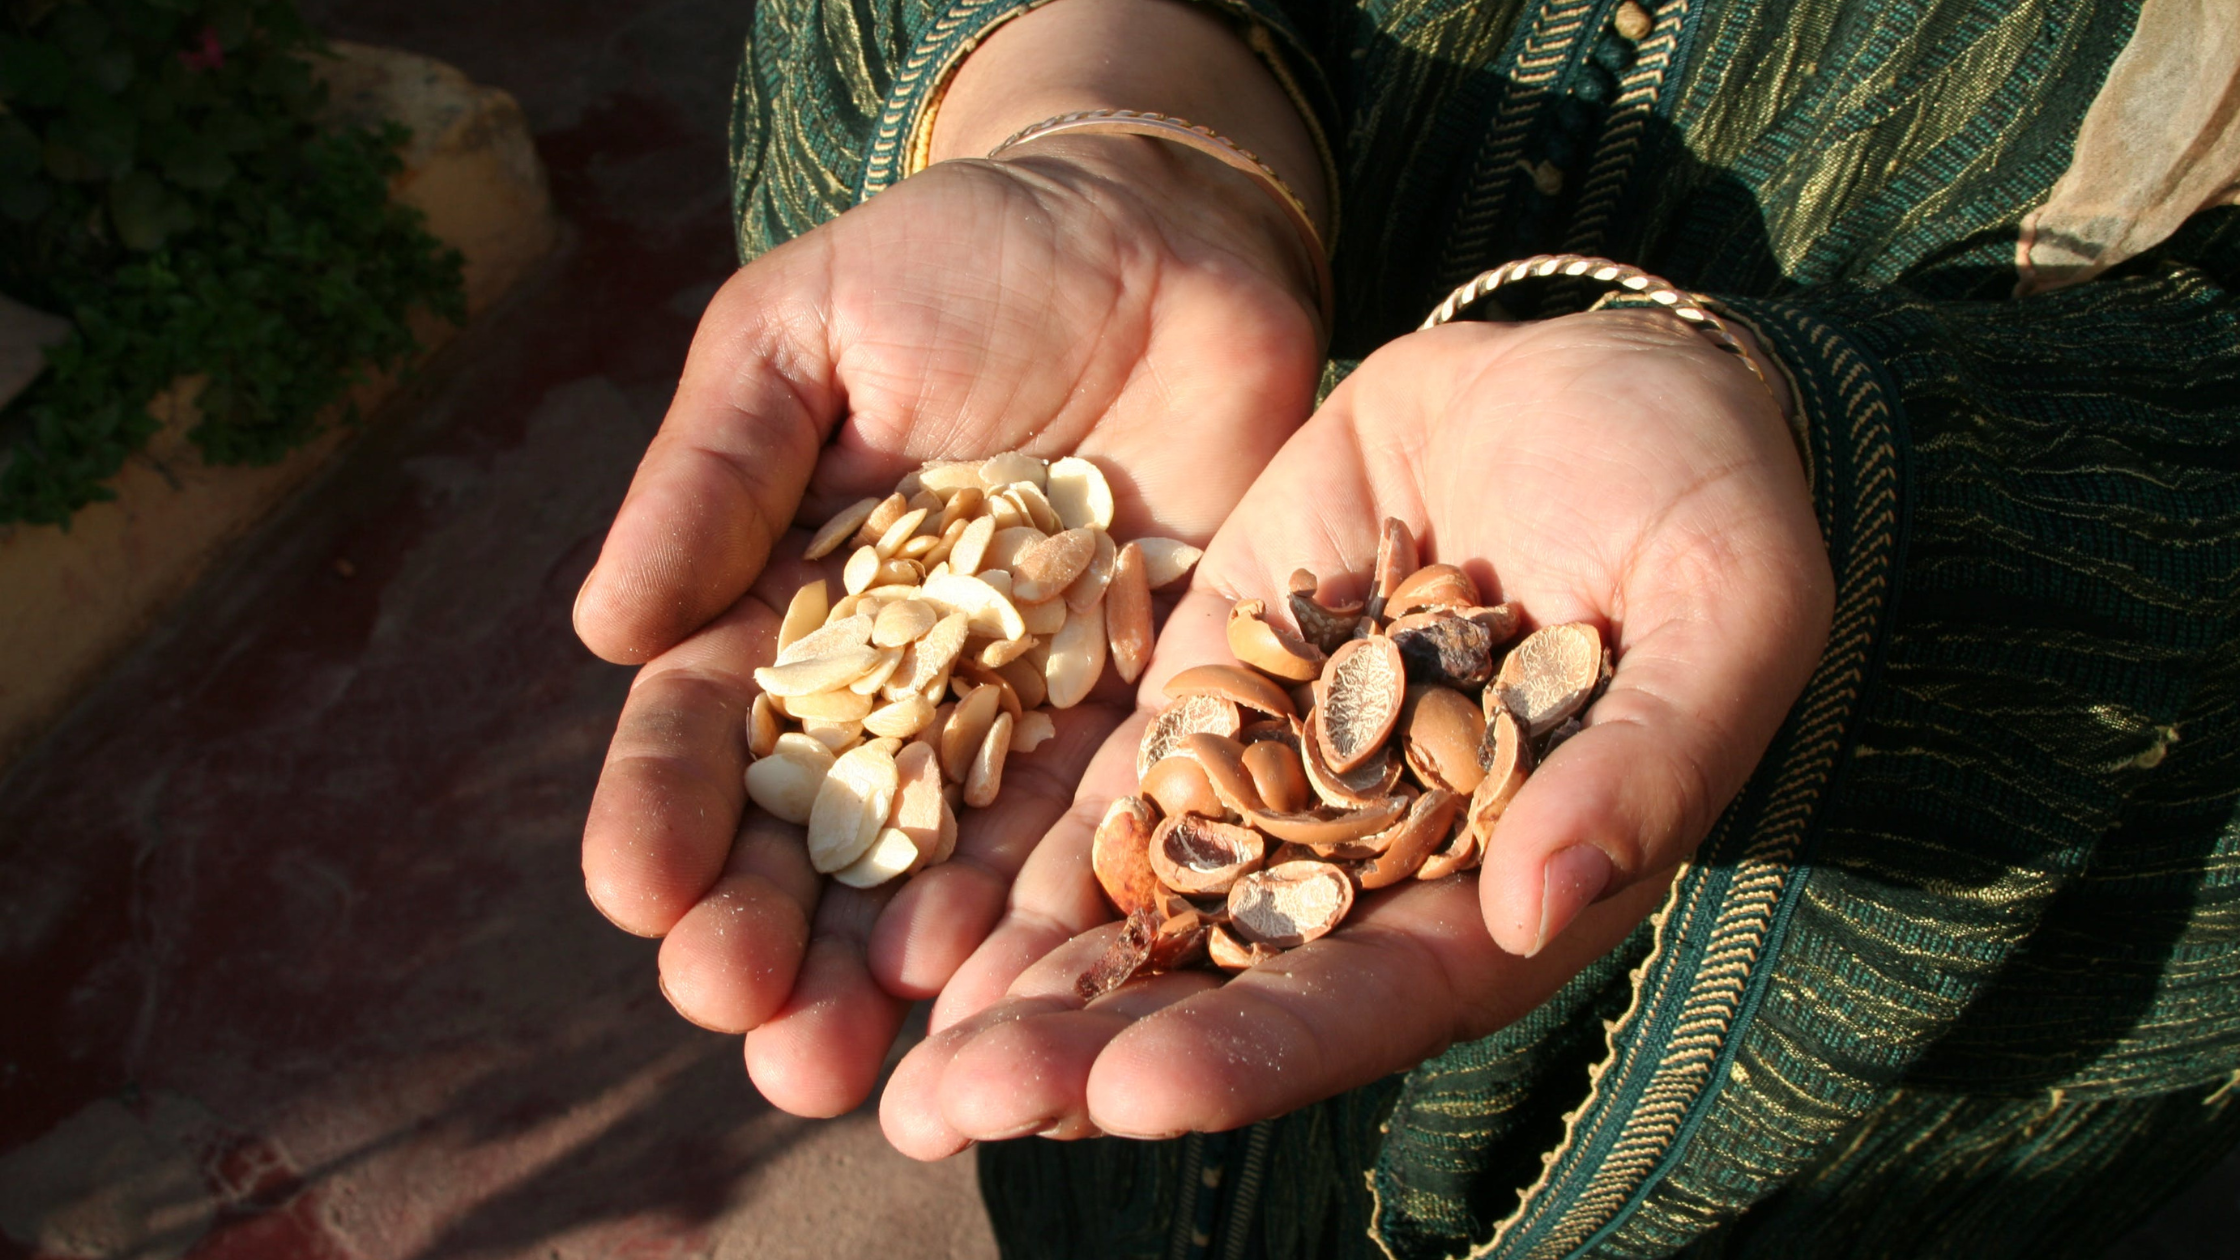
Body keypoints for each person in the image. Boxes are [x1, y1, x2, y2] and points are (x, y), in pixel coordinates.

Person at [572, 0, 2240, 1254]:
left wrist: (1861, 477)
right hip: (1113, 1183)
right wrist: (1105, 113)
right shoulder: (1147, 759)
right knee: (1082, 1099)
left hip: (1884, 1167)